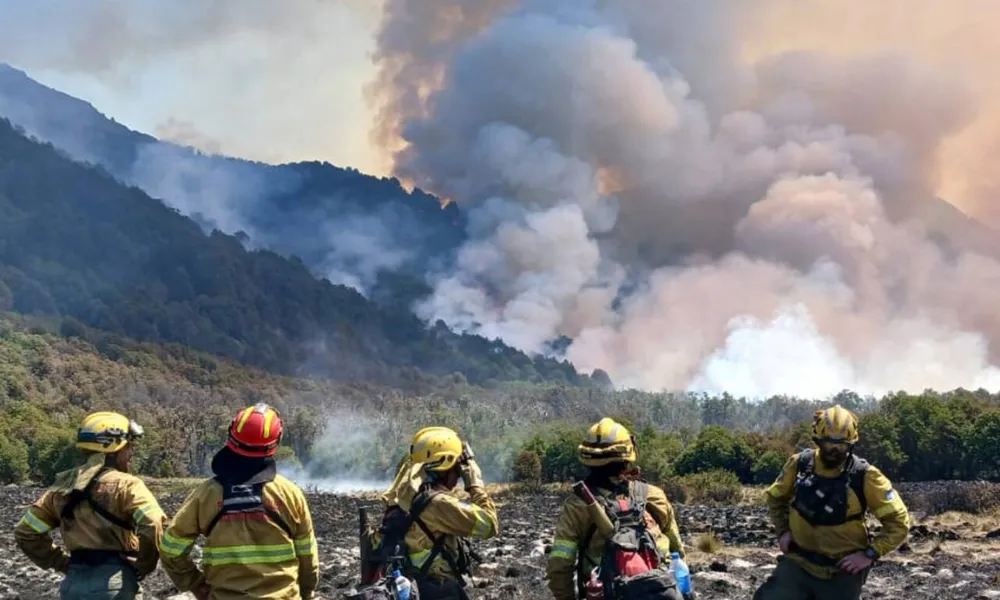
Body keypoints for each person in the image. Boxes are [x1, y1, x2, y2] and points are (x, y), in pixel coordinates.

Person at [158, 403, 319, 600]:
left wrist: (196, 585)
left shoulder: (206, 494)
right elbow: (308, 557)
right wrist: (306, 593)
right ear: (276, 442)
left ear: (231, 436)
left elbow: (170, 550)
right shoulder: (290, 494)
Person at [753, 404, 910, 600]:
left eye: (842, 445)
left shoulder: (865, 476)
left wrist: (869, 554)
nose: (834, 450)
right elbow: (776, 497)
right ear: (818, 440)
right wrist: (783, 530)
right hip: (798, 562)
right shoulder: (799, 464)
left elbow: (899, 522)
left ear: (851, 444)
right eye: (828, 443)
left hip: (842, 570)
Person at [14, 411, 166, 600]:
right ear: (114, 447)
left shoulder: (61, 487)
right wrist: (145, 563)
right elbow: (153, 522)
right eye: (129, 446)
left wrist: (61, 563)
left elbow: (25, 532)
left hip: (73, 586)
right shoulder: (127, 485)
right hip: (114, 584)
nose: (131, 453)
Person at [546, 417, 686, 600]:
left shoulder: (578, 505)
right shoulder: (654, 496)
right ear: (629, 454)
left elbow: (560, 565)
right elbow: (678, 554)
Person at [374, 426, 500, 599]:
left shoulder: (404, 497)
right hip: (437, 590)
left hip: (414, 588)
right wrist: (475, 485)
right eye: (456, 467)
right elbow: (490, 524)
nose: (458, 475)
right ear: (445, 466)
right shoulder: (438, 504)